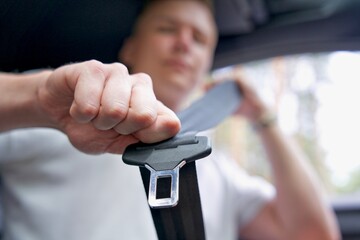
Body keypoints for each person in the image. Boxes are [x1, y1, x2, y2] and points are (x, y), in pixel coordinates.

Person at [0, 0, 340, 239]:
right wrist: (36, 98)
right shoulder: (62, 113)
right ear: (130, 48)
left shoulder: (218, 169)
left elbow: (313, 234)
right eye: (168, 28)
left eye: (200, 39)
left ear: (207, 62)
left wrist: (264, 119)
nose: (183, 43)